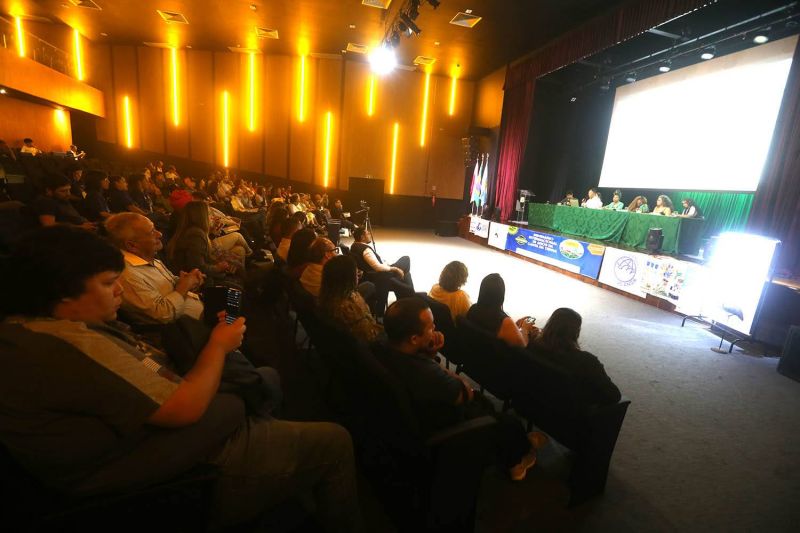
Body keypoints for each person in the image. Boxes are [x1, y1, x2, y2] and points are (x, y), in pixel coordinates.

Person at [0, 226, 361, 531]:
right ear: (63, 292)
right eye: (109, 282)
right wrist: (218, 346)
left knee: (263, 378)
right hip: (169, 481)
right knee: (335, 440)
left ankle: (277, 460)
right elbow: (183, 408)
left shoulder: (28, 330)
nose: (120, 291)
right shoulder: (68, 344)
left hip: (149, 452)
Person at [374, 297, 547, 481]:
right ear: (414, 338)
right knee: (507, 423)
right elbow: (466, 393)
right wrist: (433, 360)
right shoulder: (427, 374)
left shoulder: (381, 344)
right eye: (431, 327)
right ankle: (518, 460)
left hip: (413, 417)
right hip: (451, 427)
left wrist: (430, 353)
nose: (435, 330)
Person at [105, 213, 204, 324]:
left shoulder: (149, 259)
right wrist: (185, 285)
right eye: (152, 232)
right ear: (132, 246)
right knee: (228, 315)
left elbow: (170, 287)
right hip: (189, 332)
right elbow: (163, 314)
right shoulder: (128, 275)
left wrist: (189, 280)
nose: (160, 234)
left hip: (202, 314)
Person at [529, 308, 621, 407]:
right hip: (566, 415)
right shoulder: (587, 361)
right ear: (576, 332)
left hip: (532, 403)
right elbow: (614, 396)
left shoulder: (532, 345)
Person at [166, 201, 237, 282]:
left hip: (194, 276)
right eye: (210, 214)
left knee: (238, 251)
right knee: (236, 263)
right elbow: (198, 267)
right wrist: (218, 268)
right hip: (193, 280)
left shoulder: (195, 231)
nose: (212, 218)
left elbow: (208, 255)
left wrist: (212, 235)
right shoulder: (196, 234)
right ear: (201, 216)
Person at [350, 227, 415, 315]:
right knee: (406, 260)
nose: (370, 235)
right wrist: (394, 268)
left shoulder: (354, 246)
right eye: (368, 233)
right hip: (382, 276)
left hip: (376, 274)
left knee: (406, 271)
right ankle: (403, 294)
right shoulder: (365, 250)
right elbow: (377, 267)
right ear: (362, 237)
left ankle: (402, 291)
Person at [319, 255, 383, 343]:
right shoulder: (350, 308)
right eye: (356, 273)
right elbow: (369, 336)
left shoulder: (327, 296)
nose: (358, 275)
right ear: (348, 278)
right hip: (370, 347)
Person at [466, 274, 538, 348]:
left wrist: (515, 326)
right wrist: (524, 329)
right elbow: (522, 345)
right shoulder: (503, 321)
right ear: (501, 295)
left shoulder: (473, 309)